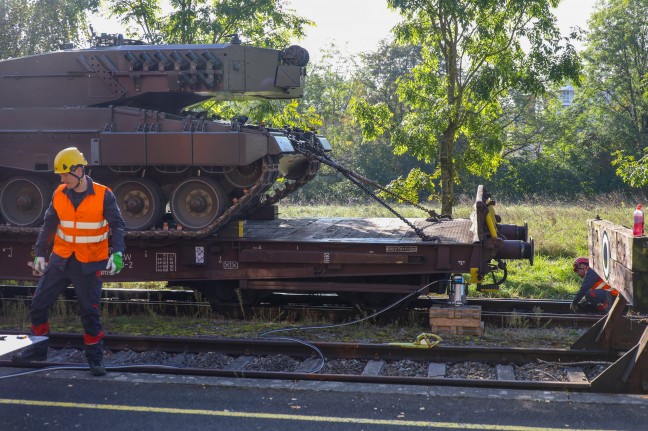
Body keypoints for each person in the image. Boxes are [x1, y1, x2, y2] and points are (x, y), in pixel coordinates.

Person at [12, 147, 126, 376]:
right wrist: (40, 253)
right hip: (61, 259)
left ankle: (95, 359)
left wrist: (118, 252)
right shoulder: (59, 193)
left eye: (65, 174)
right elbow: (48, 226)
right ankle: (38, 349)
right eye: (61, 176)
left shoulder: (104, 195)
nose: (62, 179)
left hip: (90, 262)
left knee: (89, 311)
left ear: (79, 170)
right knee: (38, 304)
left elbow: (117, 225)